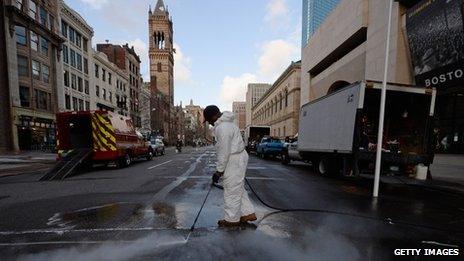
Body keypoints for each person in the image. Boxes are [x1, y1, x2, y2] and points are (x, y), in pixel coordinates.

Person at [203, 105, 256, 227]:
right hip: (237, 158)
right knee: (238, 188)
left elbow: (224, 151)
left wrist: (219, 171)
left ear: (214, 116)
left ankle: (231, 220)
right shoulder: (227, 124)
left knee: (231, 189)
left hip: (234, 159)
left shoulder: (223, 128)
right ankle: (247, 213)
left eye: (209, 120)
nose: (210, 123)